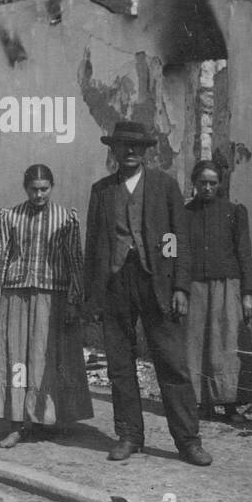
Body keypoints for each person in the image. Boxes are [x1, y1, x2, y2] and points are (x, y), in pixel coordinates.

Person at [84, 121, 210, 466]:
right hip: (115, 284)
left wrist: (180, 286)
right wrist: (92, 296)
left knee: (172, 364)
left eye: (136, 147)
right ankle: (129, 436)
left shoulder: (164, 187)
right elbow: (93, 245)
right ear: (113, 150)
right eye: (123, 146)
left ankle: (188, 441)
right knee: (120, 366)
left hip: (157, 283)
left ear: (145, 152)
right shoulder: (101, 191)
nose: (129, 152)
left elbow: (176, 241)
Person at [0, 164, 93, 448]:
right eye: (34, 189)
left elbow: (75, 261)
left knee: (47, 359)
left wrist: (74, 299)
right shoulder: (10, 216)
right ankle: (18, 422)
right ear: (25, 188)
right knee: (17, 359)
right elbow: (1, 258)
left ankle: (48, 418)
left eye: (44, 189)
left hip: (52, 297)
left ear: (51, 187)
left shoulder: (66, 217)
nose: (39, 195)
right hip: (17, 295)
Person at [183, 160, 252, 422]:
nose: (207, 188)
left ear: (220, 184)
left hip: (227, 286)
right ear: (194, 183)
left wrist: (247, 294)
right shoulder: (185, 214)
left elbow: (244, 254)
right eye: (202, 182)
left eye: (212, 183)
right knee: (197, 345)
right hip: (195, 287)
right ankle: (202, 403)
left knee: (226, 345)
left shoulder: (234, 212)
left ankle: (230, 405)